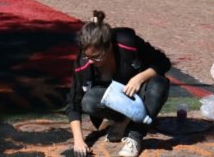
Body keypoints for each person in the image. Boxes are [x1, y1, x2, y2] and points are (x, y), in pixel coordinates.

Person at [67, 11, 171, 157]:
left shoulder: (127, 42)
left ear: (109, 46)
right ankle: (122, 120)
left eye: (96, 57)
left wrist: (139, 78)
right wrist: (78, 141)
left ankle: (135, 136)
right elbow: (74, 102)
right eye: (87, 56)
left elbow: (163, 62)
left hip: (138, 94)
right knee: (89, 101)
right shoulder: (83, 63)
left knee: (160, 84)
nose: (91, 61)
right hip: (114, 101)